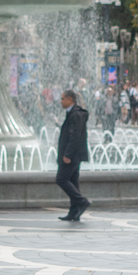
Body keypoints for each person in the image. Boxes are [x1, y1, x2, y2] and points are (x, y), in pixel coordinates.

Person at [56, 88, 90, 222]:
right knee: (73, 182)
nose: (61, 101)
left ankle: (81, 201)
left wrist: (67, 154)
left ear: (70, 99)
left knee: (61, 179)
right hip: (75, 155)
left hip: (72, 155)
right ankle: (74, 211)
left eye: (63, 99)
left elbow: (75, 136)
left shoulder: (75, 115)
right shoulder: (73, 113)